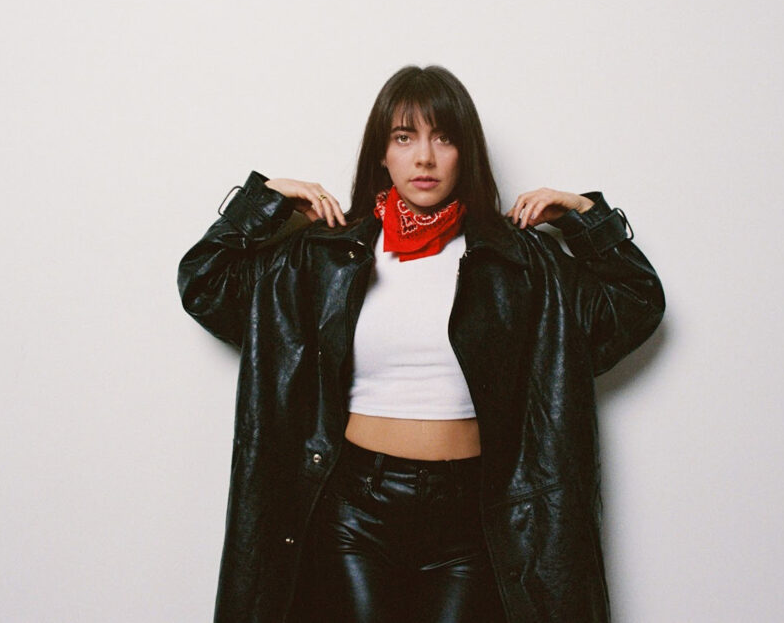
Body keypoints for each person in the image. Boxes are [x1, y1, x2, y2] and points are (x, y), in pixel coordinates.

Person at [178, 65, 664, 623]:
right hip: (354, 511)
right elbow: (205, 285)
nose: (425, 158)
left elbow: (636, 303)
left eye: (444, 138)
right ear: (382, 154)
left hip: (473, 515)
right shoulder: (325, 256)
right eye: (405, 137)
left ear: (466, 154)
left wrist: (584, 217)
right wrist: (262, 203)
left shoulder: (518, 261)